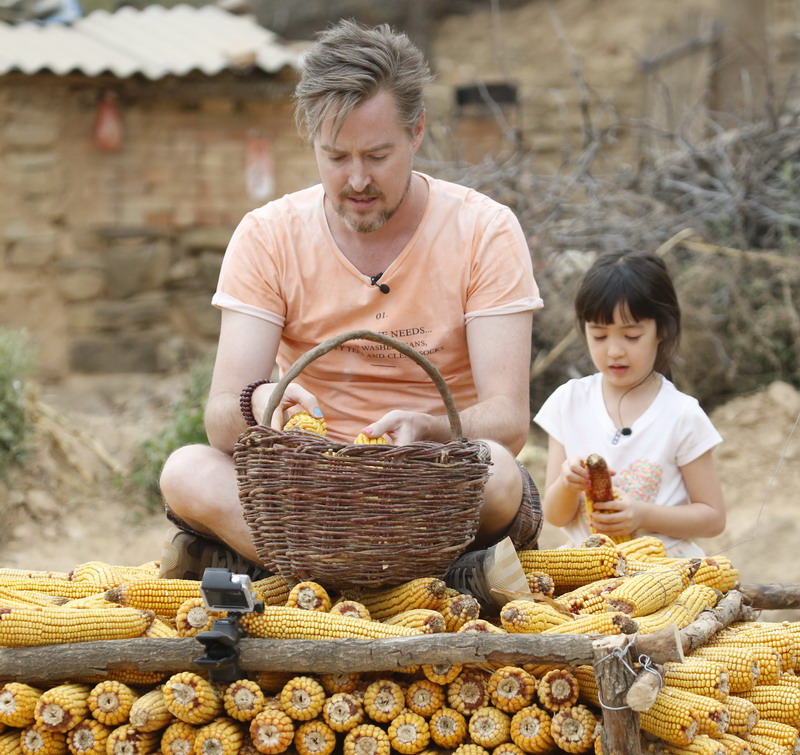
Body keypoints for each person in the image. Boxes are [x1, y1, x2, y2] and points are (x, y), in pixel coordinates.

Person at [158, 18, 543, 604]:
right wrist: (259, 403)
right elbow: (219, 421)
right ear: (311, 139)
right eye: (336, 156)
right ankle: (425, 580)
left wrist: (430, 429)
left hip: (428, 480)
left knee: (497, 472)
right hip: (305, 492)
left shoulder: (484, 230)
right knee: (185, 470)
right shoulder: (268, 235)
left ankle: (297, 574)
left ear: (416, 133)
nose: (357, 179)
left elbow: (509, 420)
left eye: (377, 155)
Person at [534, 249, 725, 557]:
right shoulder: (568, 401)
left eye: (632, 336)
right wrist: (568, 484)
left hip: (663, 572)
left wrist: (643, 515)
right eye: (599, 336)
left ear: (662, 330)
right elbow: (556, 516)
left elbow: (713, 518)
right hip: (591, 571)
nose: (614, 352)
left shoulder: (682, 414)